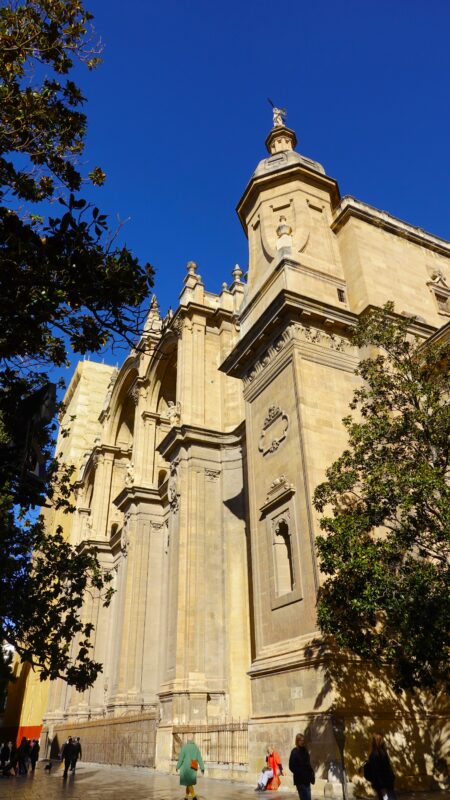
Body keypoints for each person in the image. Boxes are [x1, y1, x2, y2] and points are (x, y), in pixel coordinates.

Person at [364, 733, 396, 800]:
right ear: (379, 741)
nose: (384, 742)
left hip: (383, 783)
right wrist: (381, 784)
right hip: (383, 783)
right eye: (382, 740)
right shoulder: (377, 754)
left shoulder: (378, 753)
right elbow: (377, 770)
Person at [176, 734, 205, 800]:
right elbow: (199, 758)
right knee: (189, 782)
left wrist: (177, 766)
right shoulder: (196, 747)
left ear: (187, 739)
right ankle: (186, 796)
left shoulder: (185, 747)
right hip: (193, 766)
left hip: (186, 768)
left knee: (188, 783)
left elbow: (181, 758)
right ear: (192, 739)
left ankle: (194, 796)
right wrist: (202, 768)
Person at [289, 733, 315, 800]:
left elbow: (308, 764)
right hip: (300, 780)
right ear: (297, 741)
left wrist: (311, 773)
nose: (302, 742)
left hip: (307, 779)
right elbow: (291, 766)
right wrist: (300, 772)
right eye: (301, 740)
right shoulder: (294, 752)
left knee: (308, 798)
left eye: (303, 740)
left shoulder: (305, 751)